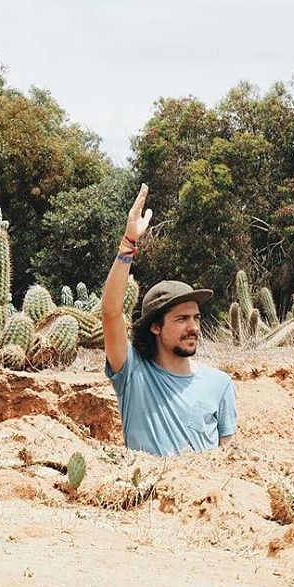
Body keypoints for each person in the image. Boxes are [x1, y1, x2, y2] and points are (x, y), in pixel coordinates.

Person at [101, 183, 237, 456]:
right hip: (149, 495)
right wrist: (128, 243)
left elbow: (227, 463)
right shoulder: (133, 374)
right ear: (155, 326)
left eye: (196, 318)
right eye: (181, 319)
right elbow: (111, 312)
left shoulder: (221, 384)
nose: (193, 327)